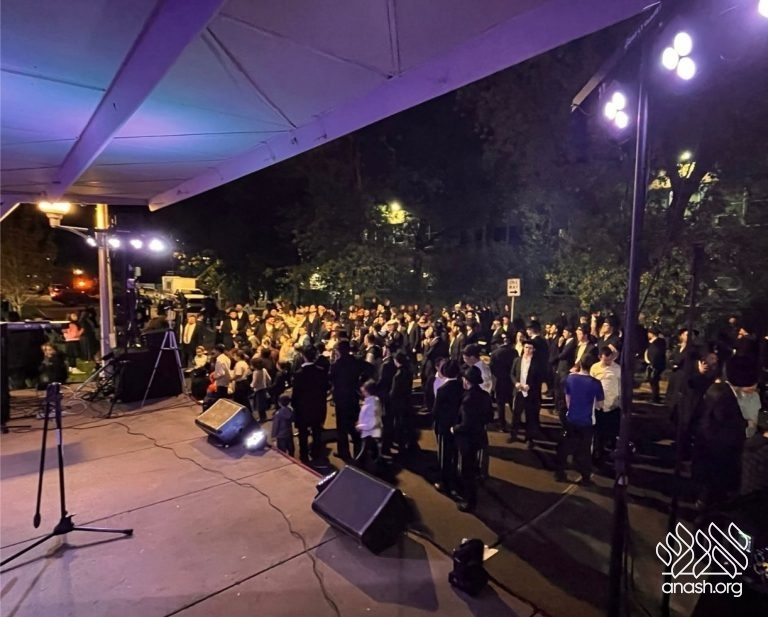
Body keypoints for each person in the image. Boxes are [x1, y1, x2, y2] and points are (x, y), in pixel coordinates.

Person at [555, 355, 604, 486]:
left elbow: (567, 399)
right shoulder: (595, 383)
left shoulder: (570, 378)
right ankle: (585, 477)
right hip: (587, 421)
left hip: (571, 418)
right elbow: (600, 405)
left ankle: (560, 473)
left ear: (580, 364)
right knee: (585, 449)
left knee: (566, 446)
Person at [452, 365, 493, 512]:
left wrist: (454, 428)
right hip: (479, 435)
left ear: (467, 381)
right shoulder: (485, 395)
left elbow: (465, 424)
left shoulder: (467, 399)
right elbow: (489, 417)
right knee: (474, 466)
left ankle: (470, 501)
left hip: (467, 440)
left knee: (466, 470)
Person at [291, 346, 330, 463]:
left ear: (303, 357)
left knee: (303, 433)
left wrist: (294, 406)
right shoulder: (320, 371)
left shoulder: (298, 374)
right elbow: (326, 387)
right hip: (317, 406)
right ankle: (316, 453)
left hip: (303, 408)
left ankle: (304, 455)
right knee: (317, 431)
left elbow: (296, 393)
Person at [432, 359, 463, 495]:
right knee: (456, 453)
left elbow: (435, 411)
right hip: (458, 425)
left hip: (444, 426)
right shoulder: (462, 387)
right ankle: (456, 478)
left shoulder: (442, 390)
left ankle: (445, 482)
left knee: (444, 455)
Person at [355, 380, 383, 471]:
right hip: (371, 433)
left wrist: (360, 426)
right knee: (368, 454)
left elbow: (371, 423)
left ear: (368, 391)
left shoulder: (371, 404)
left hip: (369, 433)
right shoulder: (373, 401)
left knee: (364, 455)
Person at [250, 357, 272, 423]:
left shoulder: (255, 372)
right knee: (263, 404)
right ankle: (264, 417)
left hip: (258, 390)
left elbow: (254, 383)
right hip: (264, 389)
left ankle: (262, 418)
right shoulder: (264, 370)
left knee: (259, 405)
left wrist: (251, 386)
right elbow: (269, 379)